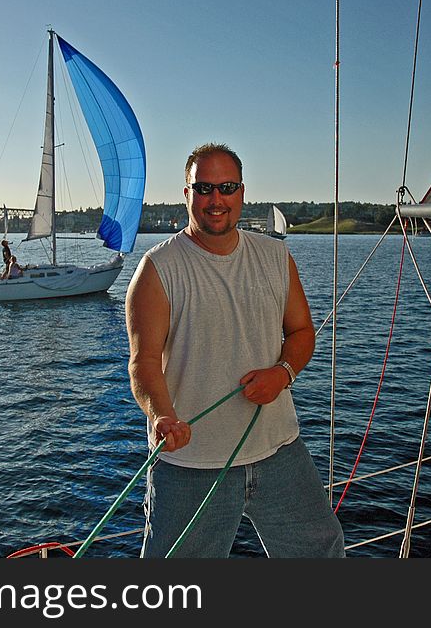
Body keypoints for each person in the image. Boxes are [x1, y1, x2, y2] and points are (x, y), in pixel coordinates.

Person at [125, 142, 344, 558]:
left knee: (322, 549)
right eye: (204, 187)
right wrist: (161, 416)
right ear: (186, 193)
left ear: (242, 192)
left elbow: (301, 331)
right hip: (191, 464)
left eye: (227, 187)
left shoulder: (275, 256)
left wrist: (283, 374)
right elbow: (143, 363)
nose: (216, 199)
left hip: (279, 450)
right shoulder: (157, 270)